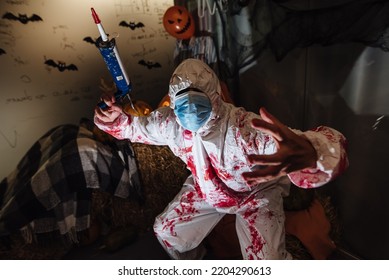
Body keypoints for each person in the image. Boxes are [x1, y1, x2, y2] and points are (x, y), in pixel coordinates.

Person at [94, 58, 348, 260]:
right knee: (166, 232)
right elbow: (137, 128)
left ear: (216, 95)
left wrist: (313, 150)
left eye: (199, 96)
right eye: (183, 99)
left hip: (255, 195)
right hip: (206, 190)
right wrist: (117, 121)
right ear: (173, 100)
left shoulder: (245, 130)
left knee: (267, 264)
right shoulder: (171, 124)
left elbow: (322, 141)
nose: (191, 108)